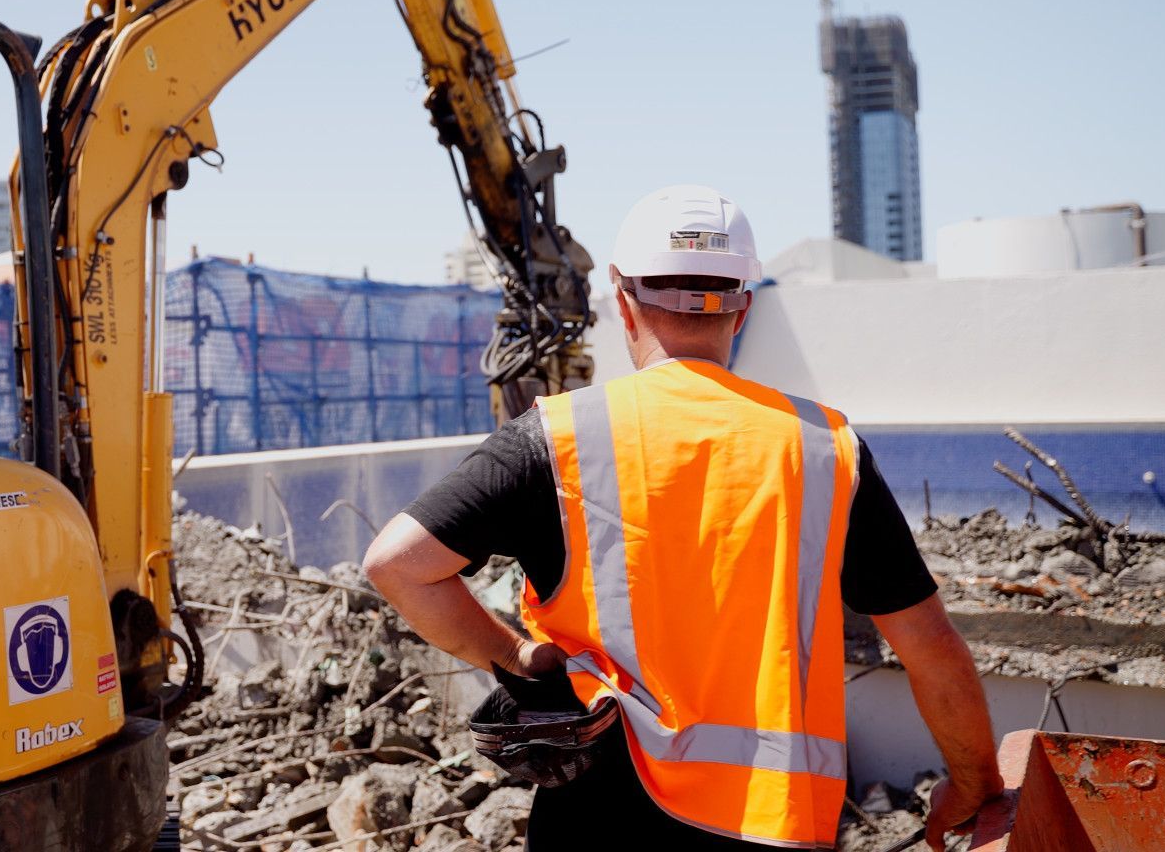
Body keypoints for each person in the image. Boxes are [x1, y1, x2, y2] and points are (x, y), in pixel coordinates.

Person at [364, 185, 1001, 850]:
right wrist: (974, 781)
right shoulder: (823, 448)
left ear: (623, 301)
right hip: (772, 822)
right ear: (742, 307)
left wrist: (513, 655)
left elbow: (398, 566)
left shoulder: (556, 438)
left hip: (599, 817)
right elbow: (931, 650)